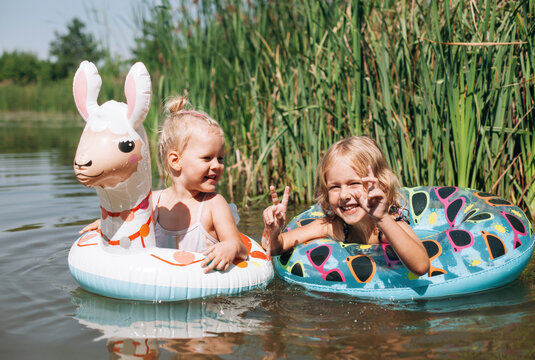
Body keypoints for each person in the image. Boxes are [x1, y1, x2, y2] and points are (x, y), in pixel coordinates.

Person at [80, 96, 247, 272]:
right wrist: (108, 224)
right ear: (176, 161)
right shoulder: (154, 202)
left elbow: (239, 246)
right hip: (160, 283)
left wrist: (231, 247)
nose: (217, 165)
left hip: (204, 287)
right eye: (207, 158)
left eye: (220, 158)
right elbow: (129, 225)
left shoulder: (214, 204)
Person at [261, 136, 430, 276]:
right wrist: (273, 231)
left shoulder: (390, 226)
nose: (344, 195)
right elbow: (276, 248)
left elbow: (421, 266)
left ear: (381, 185)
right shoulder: (333, 227)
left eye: (354, 183)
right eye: (335, 187)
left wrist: (382, 218)